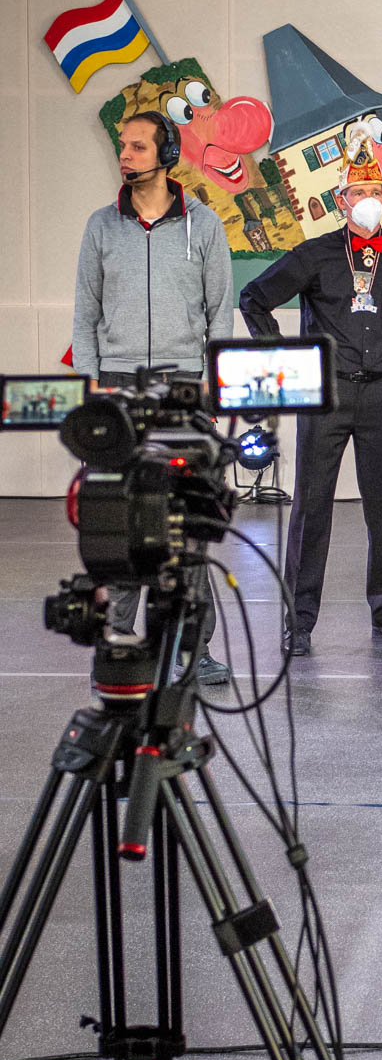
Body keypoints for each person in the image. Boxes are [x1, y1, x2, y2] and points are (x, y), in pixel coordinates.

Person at [239, 127, 382, 656]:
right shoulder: (314, 255)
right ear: (342, 200)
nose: (370, 200)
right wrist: (286, 359)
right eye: (360, 193)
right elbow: (254, 298)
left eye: (377, 192)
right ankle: (299, 622)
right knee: (311, 508)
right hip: (326, 395)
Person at [71, 110, 235, 684]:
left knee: (185, 521)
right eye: (123, 145)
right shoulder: (100, 226)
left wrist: (211, 386)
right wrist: (90, 386)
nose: (125, 154)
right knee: (119, 518)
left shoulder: (204, 226)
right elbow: (85, 315)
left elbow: (220, 313)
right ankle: (120, 641)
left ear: (166, 155)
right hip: (116, 388)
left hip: (184, 389)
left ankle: (193, 648)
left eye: (138, 146)